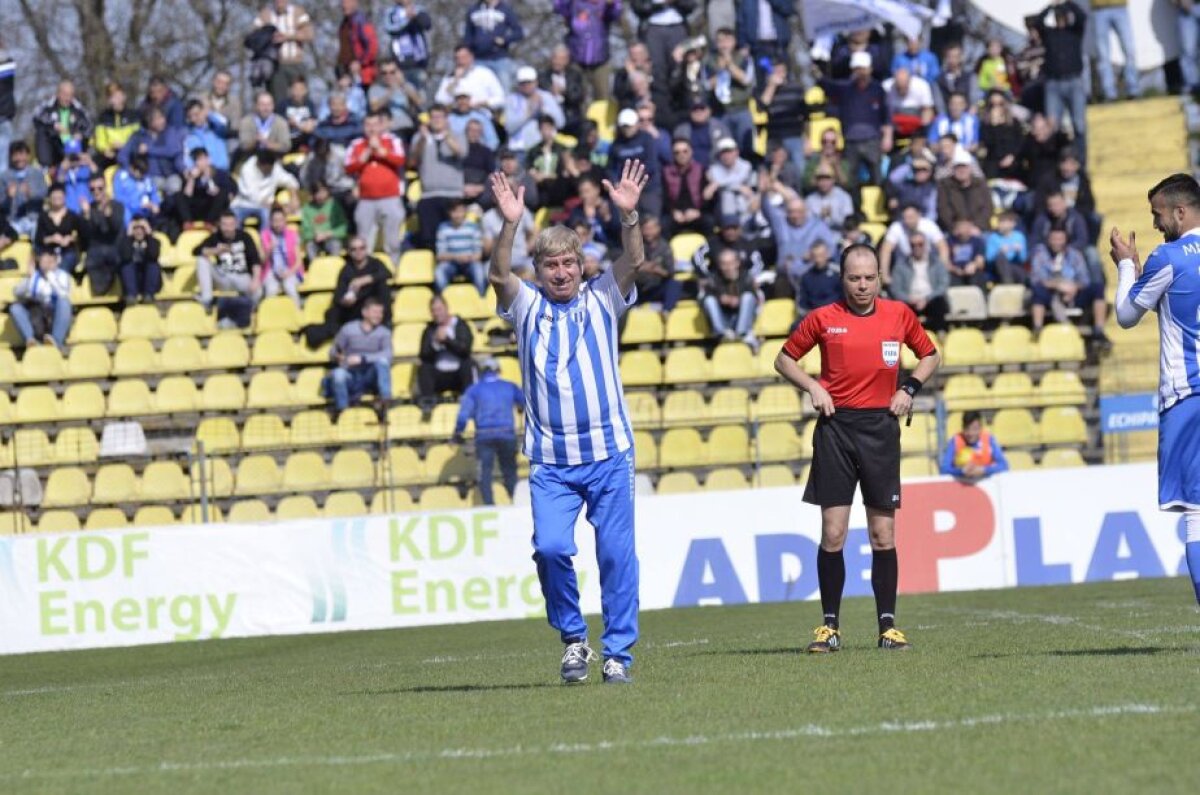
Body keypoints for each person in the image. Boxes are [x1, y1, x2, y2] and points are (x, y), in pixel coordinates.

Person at [487, 159, 647, 684]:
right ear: (538, 270)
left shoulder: (603, 298)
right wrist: (511, 223)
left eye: (569, 264)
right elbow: (496, 275)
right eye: (551, 265)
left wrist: (628, 218)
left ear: (582, 266)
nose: (561, 273)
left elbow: (635, 261)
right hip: (552, 461)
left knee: (616, 556)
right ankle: (575, 639)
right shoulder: (527, 306)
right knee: (552, 548)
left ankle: (618, 651)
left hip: (609, 453)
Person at [774, 243, 941, 653]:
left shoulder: (899, 315)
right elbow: (783, 360)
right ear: (842, 279)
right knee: (833, 533)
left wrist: (909, 387)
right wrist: (813, 386)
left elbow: (930, 355)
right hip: (836, 430)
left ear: (879, 278)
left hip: (881, 430)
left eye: (869, 278)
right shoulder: (823, 319)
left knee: (883, 534)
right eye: (854, 278)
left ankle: (888, 627)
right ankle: (829, 628)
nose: (862, 285)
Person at [1112, 173, 1200, 607]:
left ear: (1180, 212)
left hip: (1188, 398)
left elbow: (1127, 315)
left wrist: (1126, 263)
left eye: (1158, 214)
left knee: (1198, 515)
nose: (1154, 224)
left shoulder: (1169, 257)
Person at [453, 357, 524, 505]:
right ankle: (516, 502)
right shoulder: (509, 386)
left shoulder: (474, 390)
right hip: (506, 433)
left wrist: (458, 432)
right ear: (498, 370)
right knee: (510, 472)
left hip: (484, 436)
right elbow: (525, 402)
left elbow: (463, 415)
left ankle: (489, 505)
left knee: (485, 473)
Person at [345, 110, 406, 264]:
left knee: (392, 239)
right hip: (366, 199)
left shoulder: (393, 141)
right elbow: (348, 167)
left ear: (381, 125)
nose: (371, 128)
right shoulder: (356, 144)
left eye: (375, 124)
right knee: (364, 240)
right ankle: (367, 271)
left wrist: (381, 151)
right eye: (367, 124)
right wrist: (364, 156)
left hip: (390, 197)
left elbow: (400, 160)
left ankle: (394, 269)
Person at [1031, 0, 1088, 163]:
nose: (1060, 19)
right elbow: (1037, 22)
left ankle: (1081, 163)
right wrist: (1051, 6)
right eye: (1058, 17)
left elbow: (1081, 17)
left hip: (1074, 81)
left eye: (1062, 16)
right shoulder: (1049, 34)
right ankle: (1056, 161)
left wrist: (1067, 3)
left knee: (1079, 125)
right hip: (1053, 84)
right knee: (1052, 127)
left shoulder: (1075, 32)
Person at [409, 105, 466, 249]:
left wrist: (447, 137)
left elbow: (461, 153)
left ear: (447, 119)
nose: (436, 120)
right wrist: (422, 139)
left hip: (453, 194)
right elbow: (413, 160)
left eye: (439, 117)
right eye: (433, 117)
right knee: (430, 238)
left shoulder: (457, 135)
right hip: (429, 195)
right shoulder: (419, 137)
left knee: (455, 236)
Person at [326, 296, 392, 415]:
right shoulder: (348, 329)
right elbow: (332, 351)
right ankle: (343, 411)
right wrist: (338, 356)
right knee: (338, 374)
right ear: (364, 312)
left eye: (381, 313)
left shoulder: (384, 332)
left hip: (370, 375)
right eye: (375, 312)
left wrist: (362, 359)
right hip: (351, 374)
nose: (378, 316)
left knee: (383, 362)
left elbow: (388, 354)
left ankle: (385, 401)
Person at [194, 211, 264, 310]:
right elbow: (196, 251)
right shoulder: (215, 237)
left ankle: (250, 312)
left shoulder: (245, 237)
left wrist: (256, 280)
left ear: (235, 224)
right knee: (201, 259)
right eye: (224, 225)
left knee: (258, 291)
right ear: (220, 225)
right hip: (223, 278)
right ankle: (207, 299)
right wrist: (215, 251)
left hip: (242, 277)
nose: (227, 228)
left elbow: (255, 260)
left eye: (230, 225)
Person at [553, 1, 620, 103]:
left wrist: (612, 5)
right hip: (576, 59)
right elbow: (559, 7)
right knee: (577, 97)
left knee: (603, 99)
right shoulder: (574, 4)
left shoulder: (603, 4)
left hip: (600, 59)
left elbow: (615, 13)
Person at [417, 293, 475, 409]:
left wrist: (447, 341)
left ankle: (469, 403)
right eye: (433, 311)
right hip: (439, 375)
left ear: (446, 308)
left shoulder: (460, 325)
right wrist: (435, 344)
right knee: (424, 367)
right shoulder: (429, 330)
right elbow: (423, 355)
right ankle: (427, 404)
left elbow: (465, 350)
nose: (437, 313)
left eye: (439, 309)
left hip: (458, 374)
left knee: (468, 364)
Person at [9, 250, 73, 349]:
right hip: (37, 316)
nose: (47, 260)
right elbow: (17, 293)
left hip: (54, 315)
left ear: (56, 260)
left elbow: (62, 293)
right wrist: (30, 278)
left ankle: (56, 340)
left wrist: (50, 276)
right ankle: (31, 340)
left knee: (64, 302)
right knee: (15, 308)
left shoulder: (62, 275)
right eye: (45, 257)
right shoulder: (34, 276)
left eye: (50, 257)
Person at [889, 231, 950, 332]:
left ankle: (940, 334)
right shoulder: (900, 266)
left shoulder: (937, 263)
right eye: (913, 245)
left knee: (939, 303)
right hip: (910, 300)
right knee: (900, 309)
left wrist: (926, 299)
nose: (917, 247)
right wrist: (909, 299)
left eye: (920, 244)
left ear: (926, 245)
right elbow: (896, 289)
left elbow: (943, 285)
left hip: (931, 299)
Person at [256, 0, 314, 106]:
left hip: (296, 63)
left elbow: (309, 34)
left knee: (301, 99)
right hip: (275, 65)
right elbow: (254, 37)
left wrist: (288, 36)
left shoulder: (298, 12)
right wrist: (269, 37)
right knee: (279, 102)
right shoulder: (265, 14)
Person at [701, 247, 759, 347]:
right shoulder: (713, 279)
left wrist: (738, 300)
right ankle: (723, 334)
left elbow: (755, 298)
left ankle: (741, 334)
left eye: (731, 263)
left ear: (737, 263)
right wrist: (721, 298)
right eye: (724, 264)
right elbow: (704, 299)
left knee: (748, 297)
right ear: (719, 265)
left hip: (742, 318)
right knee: (709, 300)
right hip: (723, 318)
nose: (728, 267)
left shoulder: (746, 277)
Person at [463, 0, 525, 90]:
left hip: (500, 60)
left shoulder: (506, 9)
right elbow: (468, 36)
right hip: (478, 60)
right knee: (478, 90)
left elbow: (518, 32)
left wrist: (504, 40)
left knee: (503, 90)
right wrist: (468, 52)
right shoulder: (473, 10)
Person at [32, 80, 92, 172]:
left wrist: (80, 134)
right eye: (65, 95)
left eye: (70, 95)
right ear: (58, 93)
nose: (68, 98)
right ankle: (46, 166)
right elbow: (36, 116)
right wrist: (53, 125)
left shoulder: (79, 109)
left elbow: (88, 126)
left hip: (72, 146)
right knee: (42, 131)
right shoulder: (48, 106)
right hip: (53, 146)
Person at [80, 175, 125, 295]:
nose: (96, 192)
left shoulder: (117, 206)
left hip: (114, 248)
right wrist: (86, 216)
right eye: (93, 189)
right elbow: (85, 236)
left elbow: (116, 229)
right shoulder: (87, 210)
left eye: (100, 188)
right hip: (95, 252)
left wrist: (108, 215)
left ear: (106, 188)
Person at [231, 150, 299, 230]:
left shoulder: (274, 168)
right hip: (243, 204)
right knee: (232, 219)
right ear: (260, 164)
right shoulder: (247, 169)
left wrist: (294, 197)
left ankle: (265, 241)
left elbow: (290, 180)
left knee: (267, 216)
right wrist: (279, 206)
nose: (270, 170)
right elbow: (254, 197)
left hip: (265, 207)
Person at [939, 411, 1010, 480]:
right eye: (967, 429)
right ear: (962, 428)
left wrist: (984, 470)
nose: (970, 433)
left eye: (974, 429)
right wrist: (961, 471)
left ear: (980, 428)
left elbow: (1004, 465)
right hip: (961, 485)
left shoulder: (989, 440)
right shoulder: (955, 441)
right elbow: (944, 469)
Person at [435, 200, 486, 295]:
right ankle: (442, 301)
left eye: (460, 211)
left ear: (465, 212)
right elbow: (440, 255)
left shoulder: (473, 227)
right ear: (449, 213)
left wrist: (468, 258)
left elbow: (478, 254)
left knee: (479, 271)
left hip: (470, 263)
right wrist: (456, 257)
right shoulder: (443, 228)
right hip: (451, 263)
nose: (458, 215)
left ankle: (481, 301)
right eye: (455, 211)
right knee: (439, 272)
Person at [34, 184, 83, 282]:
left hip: (68, 251)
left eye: (60, 197)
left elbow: (82, 235)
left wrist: (70, 239)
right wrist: (51, 239)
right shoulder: (43, 217)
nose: (57, 199)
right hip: (49, 252)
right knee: (45, 264)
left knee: (63, 267)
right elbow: (38, 239)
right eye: (54, 197)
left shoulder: (73, 216)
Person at [258, 206, 305, 307]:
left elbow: (298, 261)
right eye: (275, 221)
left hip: (290, 270)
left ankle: (297, 313)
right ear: (270, 222)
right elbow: (262, 260)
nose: (278, 224)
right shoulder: (264, 235)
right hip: (270, 271)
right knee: (271, 290)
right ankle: (270, 316)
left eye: (280, 220)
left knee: (289, 287)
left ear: (285, 221)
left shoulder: (292, 234)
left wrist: (289, 272)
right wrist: (269, 249)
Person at [382, 0, 432, 90]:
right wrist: (406, 19)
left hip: (419, 61)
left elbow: (427, 25)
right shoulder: (390, 13)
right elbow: (390, 29)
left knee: (421, 92)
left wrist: (415, 17)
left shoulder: (419, 10)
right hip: (400, 62)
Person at [1, 142, 48, 238]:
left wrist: (30, 194)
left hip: (34, 219)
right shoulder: (4, 176)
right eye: (15, 155)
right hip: (12, 220)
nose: (19, 158)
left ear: (28, 155)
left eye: (22, 154)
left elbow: (45, 194)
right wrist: (8, 197)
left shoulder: (37, 173)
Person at [116, 218, 163, 303]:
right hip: (132, 280)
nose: (139, 232)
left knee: (153, 264)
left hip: (148, 279)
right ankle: (131, 296)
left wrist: (149, 234)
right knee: (126, 265)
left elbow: (153, 255)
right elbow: (125, 257)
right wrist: (129, 236)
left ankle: (149, 295)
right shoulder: (124, 243)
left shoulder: (154, 242)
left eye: (142, 228)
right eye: (135, 229)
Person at [301, 180, 348, 259]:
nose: (320, 195)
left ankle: (335, 268)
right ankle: (315, 269)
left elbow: (343, 229)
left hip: (331, 239)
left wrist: (328, 234)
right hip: (315, 240)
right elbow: (305, 232)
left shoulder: (335, 206)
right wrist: (314, 235)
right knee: (310, 246)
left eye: (323, 191)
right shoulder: (307, 208)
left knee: (335, 244)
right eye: (317, 192)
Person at [338, 0, 380, 87]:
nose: (344, 5)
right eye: (342, 2)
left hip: (366, 75)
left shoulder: (362, 22)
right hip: (349, 76)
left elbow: (373, 46)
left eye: (347, 2)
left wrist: (360, 63)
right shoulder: (344, 25)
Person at [237, 92, 292, 156]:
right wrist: (255, 142)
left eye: (269, 104)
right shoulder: (246, 122)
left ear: (273, 106)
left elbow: (286, 146)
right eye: (262, 104)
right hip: (251, 157)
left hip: (274, 158)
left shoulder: (281, 122)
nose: (266, 108)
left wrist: (268, 144)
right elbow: (243, 146)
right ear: (256, 106)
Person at [986, 210, 1029, 284]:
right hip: (997, 268)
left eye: (1003, 222)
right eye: (999, 222)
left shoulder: (1019, 236)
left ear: (1012, 224)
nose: (1000, 225)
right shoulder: (993, 237)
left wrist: (1019, 252)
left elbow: (1023, 259)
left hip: (1014, 265)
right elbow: (988, 258)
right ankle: (1008, 285)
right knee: (1001, 257)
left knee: (1021, 274)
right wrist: (999, 252)